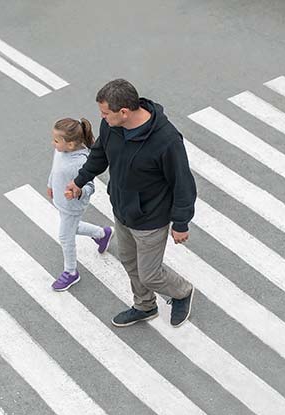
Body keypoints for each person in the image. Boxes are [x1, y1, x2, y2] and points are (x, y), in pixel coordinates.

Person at [64, 79, 197, 327]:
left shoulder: (166, 140)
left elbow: (183, 183)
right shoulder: (112, 127)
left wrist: (181, 222)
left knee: (150, 274)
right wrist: (80, 181)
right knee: (129, 261)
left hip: (151, 218)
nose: (102, 118)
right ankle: (145, 306)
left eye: (105, 113)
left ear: (124, 112)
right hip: (122, 210)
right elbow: (99, 155)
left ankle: (182, 292)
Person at [47, 117, 113, 291]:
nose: (52, 143)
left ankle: (71, 272)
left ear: (70, 145)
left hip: (73, 205)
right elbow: (55, 168)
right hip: (61, 201)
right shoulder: (60, 151)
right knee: (72, 228)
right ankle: (102, 234)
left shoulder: (81, 162)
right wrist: (50, 184)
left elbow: (90, 186)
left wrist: (79, 191)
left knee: (65, 237)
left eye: (56, 140)